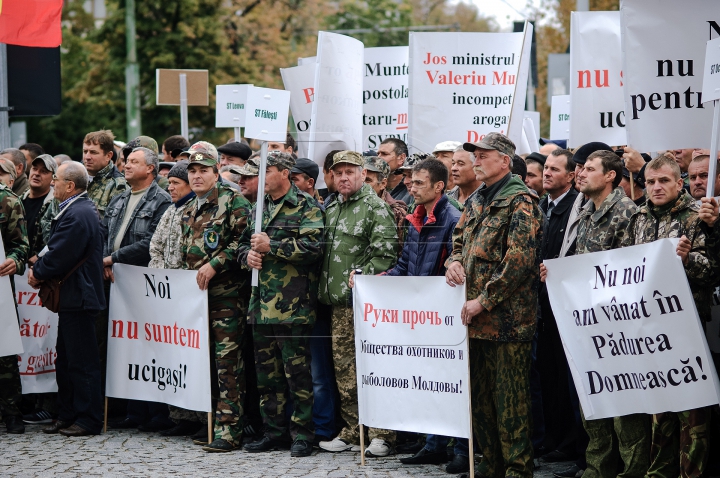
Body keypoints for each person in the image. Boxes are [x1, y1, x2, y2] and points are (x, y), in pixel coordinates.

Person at [544, 150, 647, 478]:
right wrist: (558, 273)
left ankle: (631, 470)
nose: (580, 173)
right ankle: (597, 468)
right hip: (587, 323)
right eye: (580, 168)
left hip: (617, 325)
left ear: (610, 176)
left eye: (589, 169)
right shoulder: (586, 210)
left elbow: (632, 270)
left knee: (623, 405)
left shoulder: (626, 211)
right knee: (593, 398)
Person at [445, 133, 542, 478]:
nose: (476, 161)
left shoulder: (521, 201)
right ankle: (492, 463)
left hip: (507, 321)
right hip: (475, 320)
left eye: (483, 155)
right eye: (475, 155)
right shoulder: (476, 200)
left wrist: (483, 301)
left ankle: (517, 469)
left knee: (510, 403)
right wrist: (453, 261)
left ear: (504, 161)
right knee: (480, 401)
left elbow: (519, 261)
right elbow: (458, 239)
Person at [624, 154, 713, 478]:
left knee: (692, 415)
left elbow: (713, 272)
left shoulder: (697, 217)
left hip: (687, 330)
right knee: (660, 409)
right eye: (650, 181)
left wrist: (689, 261)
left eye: (663, 181)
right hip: (651, 330)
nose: (656, 187)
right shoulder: (639, 218)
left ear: (680, 182)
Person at [237, 151, 323, 457]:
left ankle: (303, 435)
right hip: (260, 305)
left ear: (284, 173)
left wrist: (273, 245)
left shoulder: (306, 206)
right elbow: (241, 246)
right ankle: (272, 432)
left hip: (293, 306)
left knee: (297, 375)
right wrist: (246, 256)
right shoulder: (258, 208)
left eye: (266, 171)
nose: (259, 179)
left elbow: (314, 248)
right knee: (266, 375)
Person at [386, 158, 469, 473]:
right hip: (424, 319)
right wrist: (374, 283)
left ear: (439, 186)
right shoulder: (415, 218)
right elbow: (405, 267)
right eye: (410, 181)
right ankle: (433, 445)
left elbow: (459, 269)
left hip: (447, 319)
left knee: (454, 384)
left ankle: (461, 449)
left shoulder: (453, 219)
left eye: (418, 182)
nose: (410, 186)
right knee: (431, 382)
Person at [318, 150, 399, 457]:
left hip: (367, 306)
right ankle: (354, 430)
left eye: (350, 171)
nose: (343, 177)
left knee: (374, 368)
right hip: (339, 306)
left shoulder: (375, 208)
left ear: (364, 174)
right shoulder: (332, 207)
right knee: (346, 373)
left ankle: (382, 434)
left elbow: (386, 255)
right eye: (338, 173)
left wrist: (363, 275)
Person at [180, 150, 251, 452]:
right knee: (205, 362)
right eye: (192, 170)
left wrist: (215, 263)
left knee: (227, 364)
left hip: (227, 297)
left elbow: (243, 242)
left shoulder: (234, 201)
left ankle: (231, 429)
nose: (196, 175)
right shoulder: (188, 208)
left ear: (217, 170)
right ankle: (211, 422)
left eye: (203, 169)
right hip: (198, 300)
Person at [30, 162, 105, 437]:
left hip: (80, 296)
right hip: (75, 296)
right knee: (66, 359)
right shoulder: (78, 210)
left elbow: (61, 254)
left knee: (82, 362)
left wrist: (38, 271)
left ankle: (88, 419)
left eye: (57, 181)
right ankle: (69, 413)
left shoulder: (78, 212)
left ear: (70, 185)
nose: (53, 184)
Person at [103, 146, 173, 432]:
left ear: (151, 169)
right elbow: (107, 233)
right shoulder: (119, 199)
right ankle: (133, 410)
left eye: (134, 162)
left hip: (145, 283)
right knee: (127, 347)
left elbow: (151, 243)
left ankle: (156, 413)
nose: (126, 165)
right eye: (126, 161)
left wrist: (113, 258)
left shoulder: (161, 200)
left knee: (151, 348)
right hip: (117, 282)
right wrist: (107, 260)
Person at [535, 149, 588, 471]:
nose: (547, 173)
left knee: (568, 382)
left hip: (567, 307)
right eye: (546, 168)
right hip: (544, 306)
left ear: (571, 176)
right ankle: (555, 441)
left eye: (555, 169)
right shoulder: (544, 207)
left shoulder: (575, 209)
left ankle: (572, 444)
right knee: (550, 378)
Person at [18, 154, 59, 425]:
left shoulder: (54, 205)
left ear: (52, 179)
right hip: (20, 281)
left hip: (44, 281)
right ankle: (23, 400)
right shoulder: (18, 201)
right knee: (23, 342)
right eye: (35, 168)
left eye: (44, 171)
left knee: (46, 342)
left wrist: (38, 260)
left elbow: (55, 239)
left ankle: (48, 404)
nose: (37, 173)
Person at [0, 158, 29, 434]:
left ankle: (11, 411)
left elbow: (21, 244)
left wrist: (14, 260)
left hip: (0, 289)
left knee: (5, 350)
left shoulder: (7, 200)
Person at [83, 130, 128, 219]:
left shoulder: (118, 186)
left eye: (93, 152)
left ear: (108, 156)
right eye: (85, 151)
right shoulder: (74, 178)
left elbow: (113, 226)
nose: (87, 157)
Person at [364, 156, 408, 240]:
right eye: (359, 179)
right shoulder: (348, 205)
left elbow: (399, 249)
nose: (362, 184)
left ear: (383, 184)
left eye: (367, 180)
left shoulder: (396, 212)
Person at [377, 138, 412, 204]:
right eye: (378, 154)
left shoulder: (412, 189)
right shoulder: (372, 186)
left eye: (384, 154)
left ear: (401, 158)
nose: (378, 158)